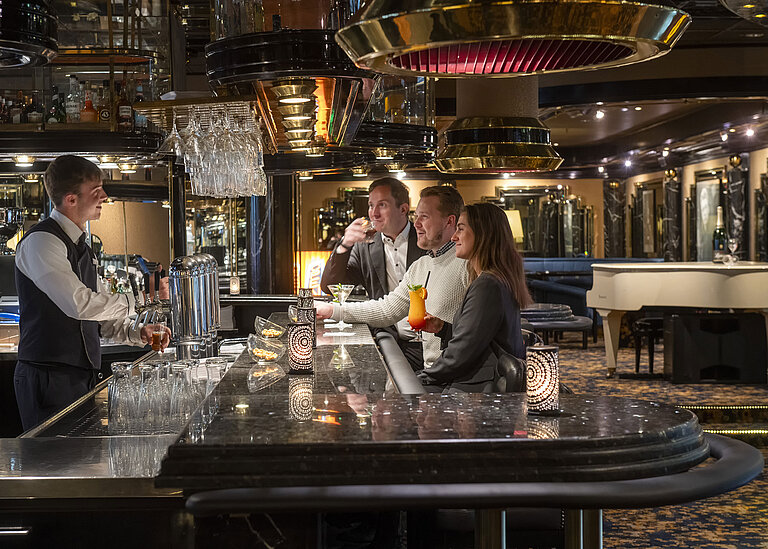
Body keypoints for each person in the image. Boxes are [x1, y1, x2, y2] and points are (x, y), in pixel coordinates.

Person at [13, 155, 171, 430]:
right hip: (48, 376)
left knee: (80, 460)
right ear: (71, 199)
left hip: (79, 375)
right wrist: (142, 301)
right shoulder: (41, 242)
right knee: (55, 464)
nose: (105, 196)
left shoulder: (82, 247)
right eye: (96, 191)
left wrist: (136, 332)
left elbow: (99, 317)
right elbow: (79, 305)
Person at [317, 185, 468, 372]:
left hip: (453, 374)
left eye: (424, 217)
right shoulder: (421, 264)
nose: (417, 223)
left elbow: (476, 336)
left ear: (449, 221)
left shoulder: (468, 263)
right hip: (415, 358)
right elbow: (387, 309)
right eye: (417, 216)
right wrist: (331, 309)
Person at [418, 202, 532, 393]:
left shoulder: (488, 284)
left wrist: (424, 376)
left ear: (483, 234)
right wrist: (444, 329)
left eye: (460, 230)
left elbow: (461, 354)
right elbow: (482, 339)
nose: (454, 237)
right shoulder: (494, 279)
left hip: (475, 390)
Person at [320, 177, 428, 370]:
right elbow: (331, 287)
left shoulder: (426, 239)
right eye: (371, 205)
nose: (373, 213)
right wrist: (344, 244)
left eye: (382, 205)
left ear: (403, 209)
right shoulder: (365, 247)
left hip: (430, 342)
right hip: (390, 342)